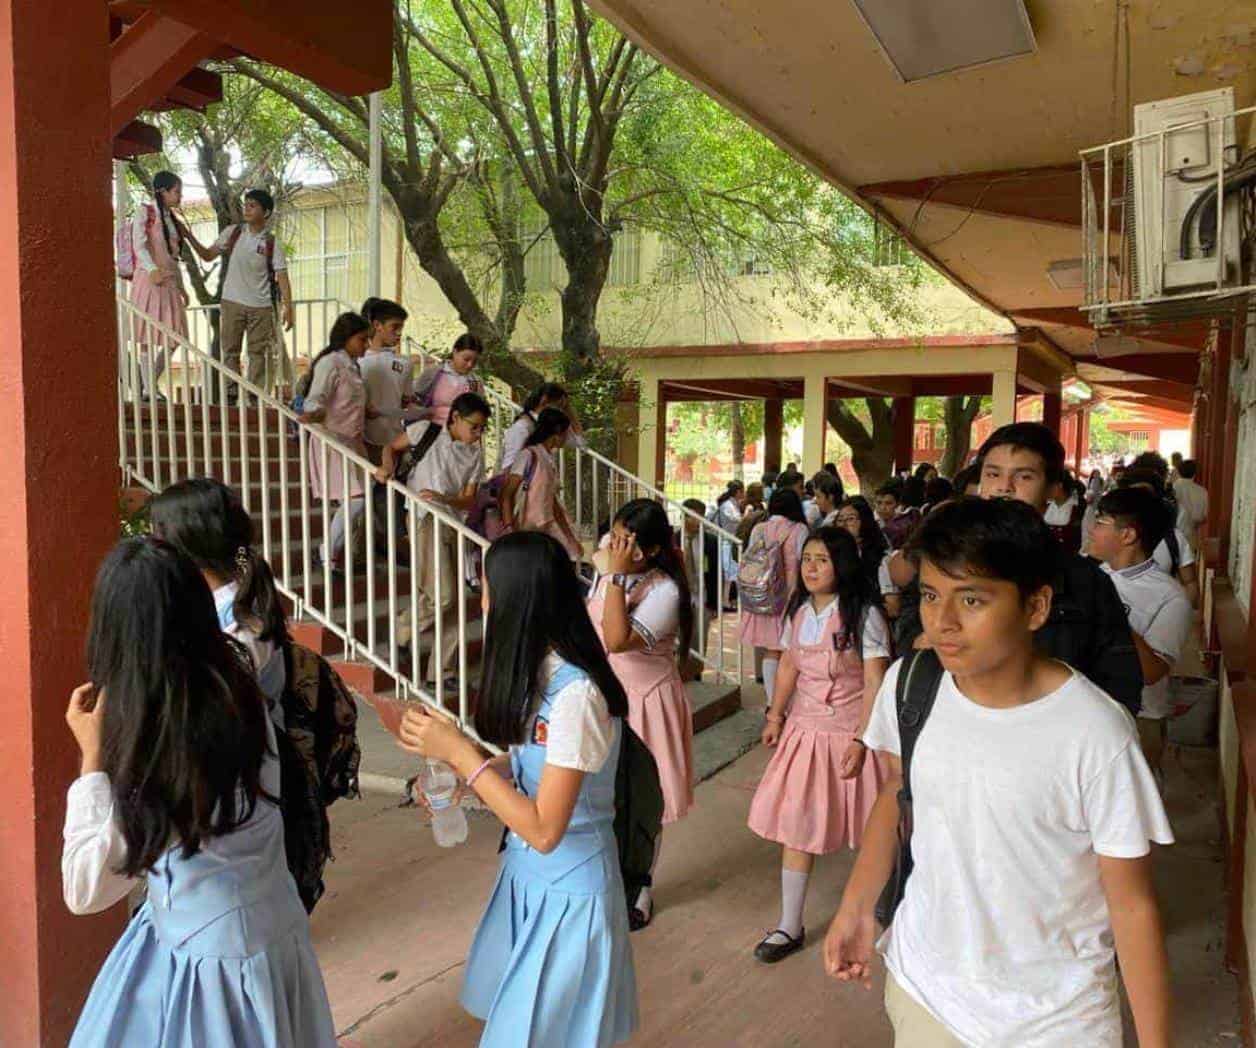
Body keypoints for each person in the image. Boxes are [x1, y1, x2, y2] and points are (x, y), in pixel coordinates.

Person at [824, 498, 1173, 1047]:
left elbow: (1132, 904)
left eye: (972, 598)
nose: (943, 621)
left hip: (1054, 1020)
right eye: (932, 595)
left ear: (1035, 607)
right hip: (927, 994)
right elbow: (897, 789)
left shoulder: (1095, 734)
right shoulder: (911, 685)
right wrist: (855, 907)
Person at [63, 538, 336, 1047]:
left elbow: (84, 889)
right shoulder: (236, 686)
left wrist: (92, 760)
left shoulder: (160, 740)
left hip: (211, 961)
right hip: (266, 929)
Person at [398, 532, 638, 1047]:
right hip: (529, 877)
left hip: (569, 888)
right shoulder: (542, 675)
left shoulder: (576, 697)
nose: (481, 601)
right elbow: (540, 769)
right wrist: (473, 775)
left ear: (515, 599)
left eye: (485, 588)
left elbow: (546, 827)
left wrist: (464, 754)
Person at [897, 422, 1145, 714]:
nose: (1004, 487)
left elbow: (1121, 686)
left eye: (1024, 476)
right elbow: (907, 637)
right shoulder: (942, 564)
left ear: (1053, 488)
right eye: (993, 474)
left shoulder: (1085, 581)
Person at [748, 527, 891, 963]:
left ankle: (882, 916)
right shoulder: (799, 610)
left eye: (822, 560)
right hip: (804, 734)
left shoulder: (864, 614)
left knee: (875, 827)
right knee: (797, 823)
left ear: (842, 565)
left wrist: (864, 739)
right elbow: (789, 664)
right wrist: (776, 714)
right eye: (807, 558)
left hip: (852, 731)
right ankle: (790, 924)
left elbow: (874, 680)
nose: (811, 567)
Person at [589, 499, 694, 929]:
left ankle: (640, 887)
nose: (615, 547)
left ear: (649, 551)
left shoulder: (664, 591)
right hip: (605, 695)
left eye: (627, 542)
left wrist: (612, 574)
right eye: (614, 536)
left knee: (643, 802)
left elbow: (616, 638)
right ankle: (607, 881)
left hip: (647, 702)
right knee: (603, 797)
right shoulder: (608, 569)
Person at [378, 392, 490, 688]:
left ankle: (442, 672)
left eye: (482, 428)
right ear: (455, 418)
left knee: (456, 604)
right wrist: (386, 467)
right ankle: (402, 631)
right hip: (423, 518)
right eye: (474, 426)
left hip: (454, 523)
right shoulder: (425, 431)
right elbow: (390, 447)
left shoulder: (475, 454)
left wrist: (445, 498)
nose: (477, 433)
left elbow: (468, 500)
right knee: (442, 595)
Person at [149, 478, 287, 709]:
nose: (151, 544)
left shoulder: (239, 627)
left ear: (184, 540)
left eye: (157, 532)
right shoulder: (208, 602)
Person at [1090, 487, 1193, 782]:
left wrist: (1112, 613)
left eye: (1100, 523)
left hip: (1139, 718)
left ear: (1128, 535)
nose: (1092, 531)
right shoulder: (1092, 576)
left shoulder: (1170, 597)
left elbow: (1152, 672)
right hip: (1091, 708)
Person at [183, 189, 294, 401]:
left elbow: (282, 277)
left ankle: (254, 396)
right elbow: (207, 255)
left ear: (266, 212)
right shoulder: (233, 233)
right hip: (232, 301)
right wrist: (188, 236)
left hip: (261, 306)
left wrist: (289, 308)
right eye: (246, 204)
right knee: (230, 350)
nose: (247, 208)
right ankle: (231, 392)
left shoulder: (271, 243)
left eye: (253, 205)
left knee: (257, 353)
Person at [299, 312, 373, 572]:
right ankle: (326, 551)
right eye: (362, 339)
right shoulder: (331, 362)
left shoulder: (353, 365)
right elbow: (316, 398)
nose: (366, 345)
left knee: (356, 501)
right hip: (331, 440)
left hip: (352, 442)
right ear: (346, 337)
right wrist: (314, 412)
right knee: (356, 500)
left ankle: (329, 556)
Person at [740, 489, 810, 709]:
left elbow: (751, 557)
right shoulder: (799, 530)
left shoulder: (759, 528)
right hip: (789, 593)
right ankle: (787, 703)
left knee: (771, 650)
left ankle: (772, 700)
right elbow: (802, 560)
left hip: (764, 594)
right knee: (788, 649)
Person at [128, 171, 189, 398]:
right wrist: (151, 269)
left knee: (177, 336)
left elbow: (174, 256)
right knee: (146, 337)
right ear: (162, 191)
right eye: (176, 191)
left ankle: (148, 384)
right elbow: (139, 244)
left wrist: (182, 286)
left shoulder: (171, 219)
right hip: (150, 279)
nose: (180, 196)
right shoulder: (146, 211)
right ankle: (150, 389)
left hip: (169, 281)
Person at [499, 407, 582, 560]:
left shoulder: (548, 458)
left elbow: (553, 503)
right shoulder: (528, 455)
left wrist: (570, 537)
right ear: (557, 432)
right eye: (566, 432)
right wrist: (509, 529)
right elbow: (506, 494)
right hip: (526, 530)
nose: (567, 437)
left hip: (545, 527)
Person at [1117, 468, 1199, 604]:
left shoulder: (1173, 538)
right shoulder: (1110, 536)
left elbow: (1190, 582)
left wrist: (1179, 615)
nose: (1140, 502)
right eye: (1134, 496)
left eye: (1146, 497)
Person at [358, 298, 417, 466]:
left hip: (394, 442)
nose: (399, 333)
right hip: (362, 441)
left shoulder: (405, 363)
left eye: (401, 328)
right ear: (377, 325)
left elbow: (406, 402)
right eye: (395, 327)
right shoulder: (356, 362)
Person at [498, 382, 587, 472]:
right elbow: (508, 466)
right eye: (559, 406)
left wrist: (568, 409)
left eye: (563, 408)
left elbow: (580, 442)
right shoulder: (522, 427)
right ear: (544, 401)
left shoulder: (551, 427)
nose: (561, 412)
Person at [835, 496, 899, 619]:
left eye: (850, 519)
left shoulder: (881, 560)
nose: (843, 525)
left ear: (865, 522)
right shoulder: (831, 556)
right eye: (840, 520)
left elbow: (893, 608)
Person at [414, 333, 485, 427]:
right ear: (455, 352)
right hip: (432, 432)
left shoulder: (475, 381)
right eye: (466, 359)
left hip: (461, 437)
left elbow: (478, 413)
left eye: (474, 362)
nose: (470, 365)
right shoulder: (434, 373)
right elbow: (412, 398)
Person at [713, 480, 746, 607]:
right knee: (728, 572)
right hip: (726, 542)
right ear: (738, 492)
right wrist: (747, 514)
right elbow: (737, 521)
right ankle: (724, 601)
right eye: (742, 491)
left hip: (730, 542)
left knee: (733, 572)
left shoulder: (734, 504)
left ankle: (728, 600)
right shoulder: (728, 506)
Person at [1173, 459, 1209, 556]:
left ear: (1179, 472)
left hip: (1171, 536)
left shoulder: (1172, 488)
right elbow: (1204, 517)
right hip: (1191, 536)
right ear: (1194, 473)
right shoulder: (1202, 491)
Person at [874, 481, 919, 550]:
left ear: (897, 504)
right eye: (879, 503)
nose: (883, 507)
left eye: (888, 503)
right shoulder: (870, 522)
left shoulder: (905, 525)